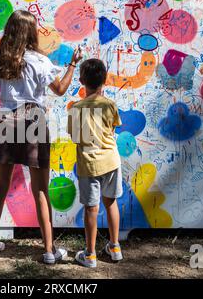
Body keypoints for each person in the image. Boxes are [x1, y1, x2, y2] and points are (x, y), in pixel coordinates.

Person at [0, 10, 83, 264]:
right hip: (33, 121)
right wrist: (72, 64)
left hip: (5, 119)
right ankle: (49, 250)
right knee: (40, 189)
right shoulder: (40, 61)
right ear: (31, 32)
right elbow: (60, 90)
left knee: (1, 185)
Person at [67, 59, 123, 268]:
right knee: (111, 203)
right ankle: (115, 247)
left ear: (81, 80)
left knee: (91, 208)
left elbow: (75, 137)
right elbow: (113, 128)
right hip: (111, 162)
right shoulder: (109, 105)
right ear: (104, 80)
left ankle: (90, 255)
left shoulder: (76, 108)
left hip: (89, 165)